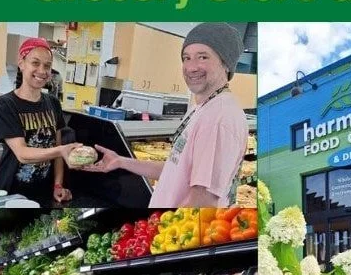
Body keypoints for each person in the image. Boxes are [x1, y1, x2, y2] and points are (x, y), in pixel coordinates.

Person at [85, 23, 249, 207]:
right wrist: (121, 161)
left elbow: (203, 201)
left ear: (226, 63)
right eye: (186, 58)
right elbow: (176, 171)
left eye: (203, 57)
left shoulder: (218, 118)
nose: (192, 67)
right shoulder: (204, 108)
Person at [0, 38, 81, 205]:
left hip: (44, 193)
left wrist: (57, 185)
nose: (42, 71)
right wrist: (62, 150)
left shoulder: (53, 103)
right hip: (12, 193)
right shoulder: (6, 104)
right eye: (35, 63)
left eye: (47, 65)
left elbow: (56, 148)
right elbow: (22, 154)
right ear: (21, 63)